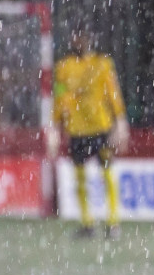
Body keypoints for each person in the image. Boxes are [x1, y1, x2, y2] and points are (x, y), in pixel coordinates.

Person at [53, 29, 127, 238]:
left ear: (90, 39)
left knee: (107, 173)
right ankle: (88, 223)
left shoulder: (102, 64)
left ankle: (113, 223)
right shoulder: (63, 67)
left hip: (100, 127)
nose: (79, 41)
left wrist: (120, 121)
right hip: (76, 130)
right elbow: (59, 97)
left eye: (83, 37)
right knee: (80, 177)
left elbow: (113, 93)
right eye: (75, 37)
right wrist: (54, 125)